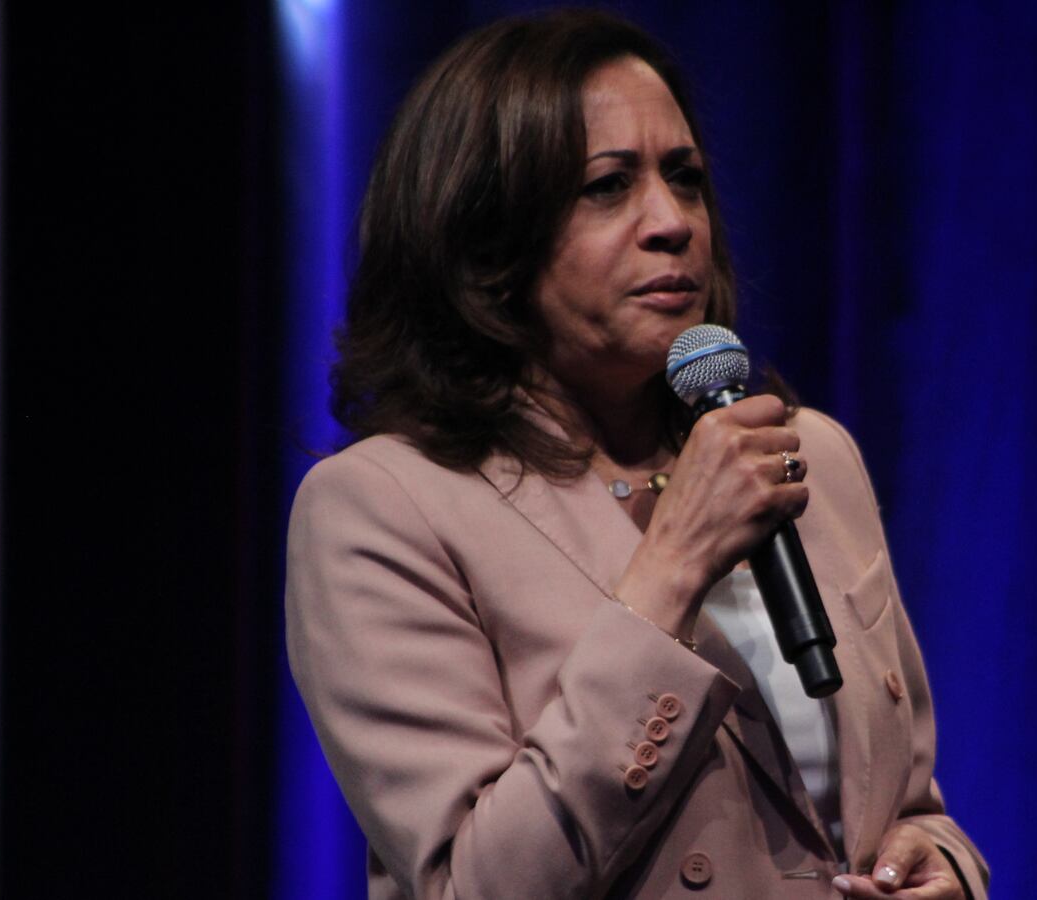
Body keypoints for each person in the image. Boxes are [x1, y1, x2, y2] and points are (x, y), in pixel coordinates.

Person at [285, 10, 988, 899]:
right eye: (608, 187)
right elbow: (481, 885)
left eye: (685, 179)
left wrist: (942, 865)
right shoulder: (383, 507)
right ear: (486, 240)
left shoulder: (809, 456)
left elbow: (908, 802)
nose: (672, 223)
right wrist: (671, 568)